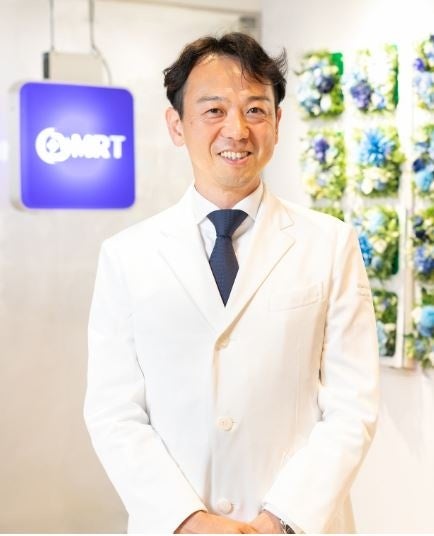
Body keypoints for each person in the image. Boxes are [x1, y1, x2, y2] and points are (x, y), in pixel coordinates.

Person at [84, 32, 379, 534]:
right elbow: (114, 412)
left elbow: (354, 405)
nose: (237, 130)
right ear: (176, 125)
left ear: (278, 123)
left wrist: (278, 521)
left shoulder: (331, 244)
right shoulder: (126, 256)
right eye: (214, 110)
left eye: (255, 110)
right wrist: (189, 520)